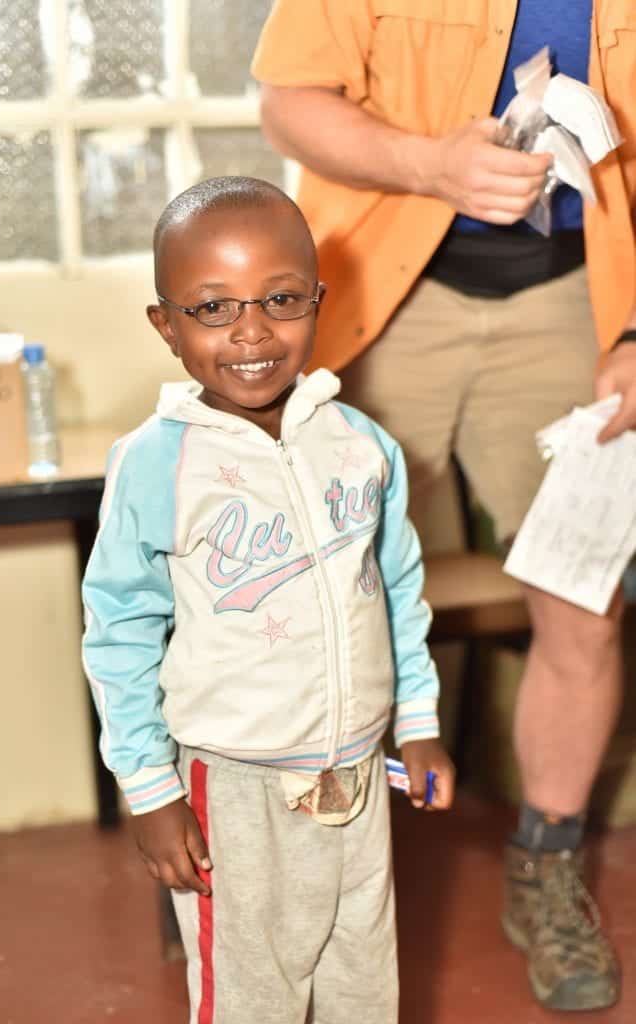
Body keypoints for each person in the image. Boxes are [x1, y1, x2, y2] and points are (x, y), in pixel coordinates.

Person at [251, 0, 636, 1013]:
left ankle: (546, 866)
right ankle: (287, 879)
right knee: (306, 603)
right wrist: (430, 166)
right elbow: (287, 102)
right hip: (384, 282)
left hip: (578, 295)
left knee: (581, 593)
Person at [81, 175, 455, 1023]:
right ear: (166, 325)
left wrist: (421, 722)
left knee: (363, 988)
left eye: (280, 299)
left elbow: (397, 588)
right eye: (214, 309)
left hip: (356, 775)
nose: (252, 332)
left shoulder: (362, 446)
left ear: (318, 301)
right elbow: (119, 633)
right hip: (233, 787)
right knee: (253, 1000)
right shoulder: (155, 464)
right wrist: (150, 788)